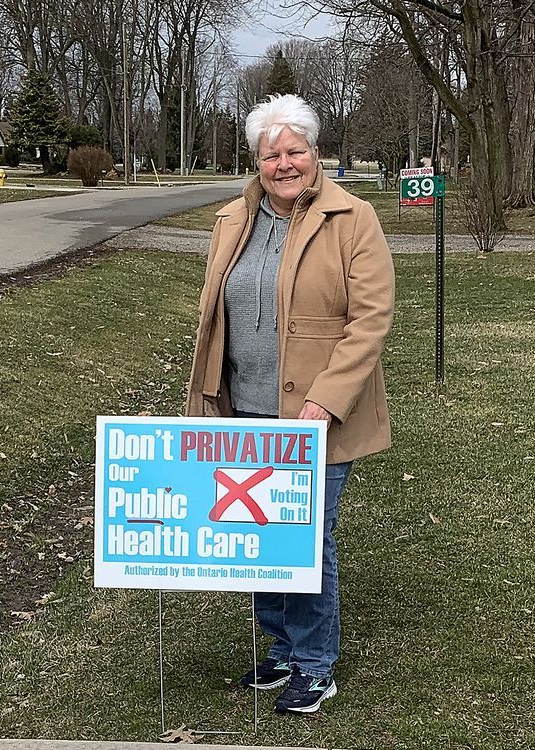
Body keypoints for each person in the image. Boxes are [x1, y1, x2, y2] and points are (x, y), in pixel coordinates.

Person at [185, 94, 394, 715]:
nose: (284, 163)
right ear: (256, 160)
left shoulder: (353, 218)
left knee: (304, 539)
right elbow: (215, 313)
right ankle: (280, 650)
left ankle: (314, 664)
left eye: (295, 150)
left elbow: (372, 319)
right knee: (257, 536)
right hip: (244, 409)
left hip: (313, 416)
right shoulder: (232, 220)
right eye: (270, 153)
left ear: (315, 153)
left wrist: (327, 402)